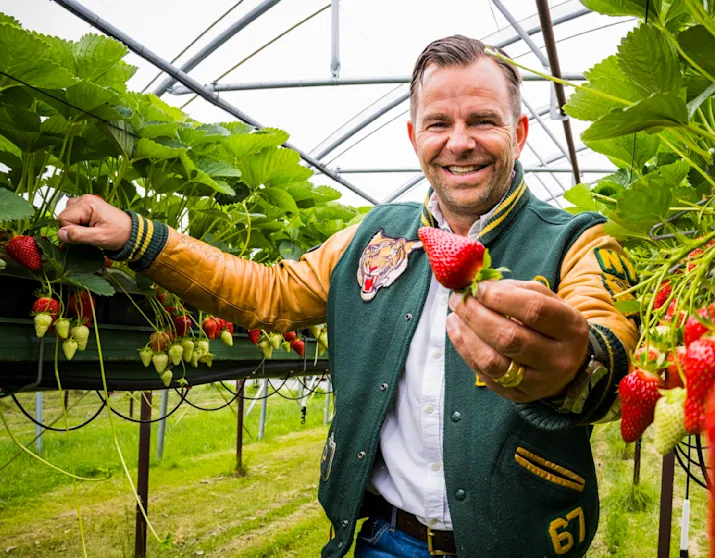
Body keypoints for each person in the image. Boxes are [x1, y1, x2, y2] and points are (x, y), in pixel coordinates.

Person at [56, 35, 638, 558]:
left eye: (483, 120)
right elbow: (269, 292)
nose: (459, 143)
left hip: (521, 542)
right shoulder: (370, 238)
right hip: (387, 541)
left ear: (520, 131)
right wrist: (140, 237)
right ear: (414, 137)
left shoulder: (577, 240)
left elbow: (605, 332)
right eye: (438, 124)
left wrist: (576, 369)